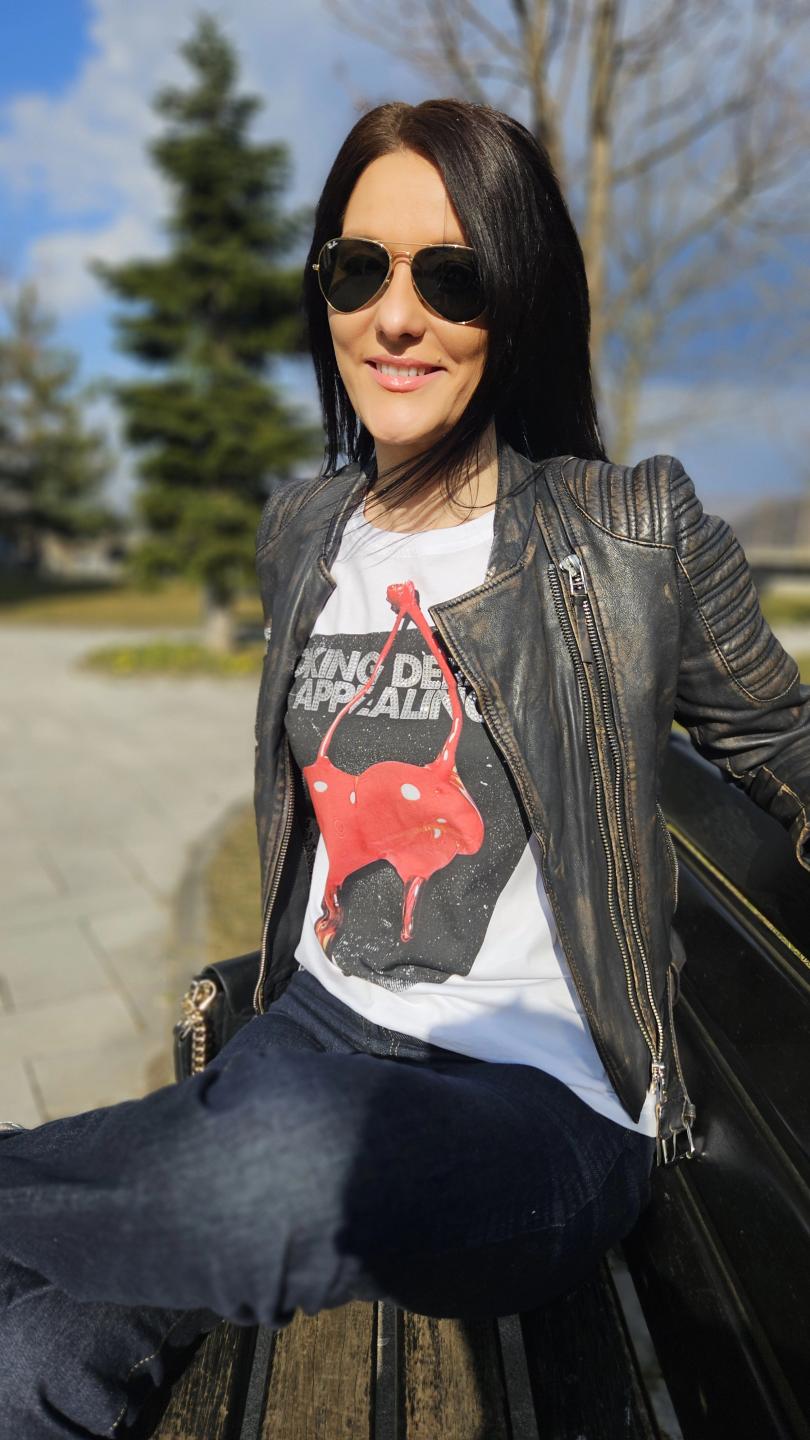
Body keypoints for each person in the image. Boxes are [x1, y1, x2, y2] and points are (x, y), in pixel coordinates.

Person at [2, 97, 808, 1438]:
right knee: (28, 1355)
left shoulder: (629, 530)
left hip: (537, 1103)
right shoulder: (304, 531)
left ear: (518, 296)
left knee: (285, 1166)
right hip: (313, 1036)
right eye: (357, 267)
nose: (395, 315)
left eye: (451, 276)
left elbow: (784, 744)